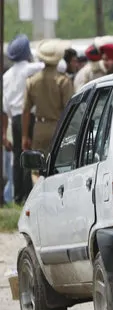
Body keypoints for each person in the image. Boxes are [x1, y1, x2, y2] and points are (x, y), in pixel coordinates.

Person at [2, 34, 43, 203]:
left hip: (13, 119)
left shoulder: (6, 76)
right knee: (29, 156)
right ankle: (28, 195)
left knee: (17, 159)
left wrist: (4, 134)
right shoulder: (30, 68)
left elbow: (4, 107)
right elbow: (59, 65)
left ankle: (17, 197)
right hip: (29, 117)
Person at [22, 39, 75, 160]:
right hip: (60, 128)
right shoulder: (63, 81)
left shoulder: (32, 81)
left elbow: (25, 111)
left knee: (38, 168)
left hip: (40, 128)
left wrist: (25, 136)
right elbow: (70, 110)